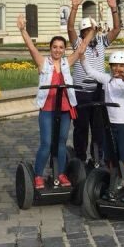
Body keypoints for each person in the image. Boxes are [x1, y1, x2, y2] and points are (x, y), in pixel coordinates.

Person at [18, 14, 90, 189]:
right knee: (46, 143)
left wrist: (92, 32)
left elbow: (81, 49)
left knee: (61, 142)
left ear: (64, 49)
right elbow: (31, 48)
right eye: (55, 47)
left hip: (65, 109)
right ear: (50, 48)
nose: (57, 50)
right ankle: (38, 175)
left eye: (61, 47)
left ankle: (60, 174)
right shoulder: (43, 63)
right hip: (48, 109)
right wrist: (22, 30)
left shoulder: (66, 63)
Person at [81, 41, 124, 201]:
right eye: (114, 66)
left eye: (121, 66)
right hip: (110, 124)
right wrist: (82, 57)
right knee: (109, 158)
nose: (117, 69)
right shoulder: (107, 79)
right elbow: (90, 71)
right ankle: (117, 183)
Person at [67, 0, 121, 164]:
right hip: (81, 91)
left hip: (98, 91)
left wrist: (114, 9)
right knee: (81, 128)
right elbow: (69, 29)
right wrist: (74, 7)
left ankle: (97, 158)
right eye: (87, 30)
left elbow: (117, 29)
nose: (91, 33)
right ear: (83, 32)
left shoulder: (101, 42)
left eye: (92, 29)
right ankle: (80, 160)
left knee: (98, 128)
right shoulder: (78, 44)